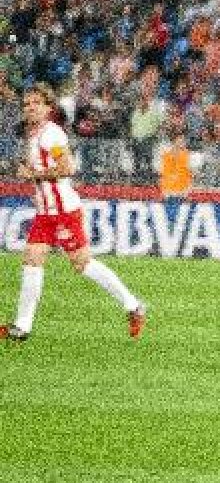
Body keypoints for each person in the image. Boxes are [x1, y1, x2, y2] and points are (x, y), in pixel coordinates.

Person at [2, 83, 146, 342]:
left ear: (48, 107)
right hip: (45, 213)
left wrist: (33, 175)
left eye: (36, 103)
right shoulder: (34, 136)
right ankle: (21, 328)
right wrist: (35, 188)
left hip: (63, 212)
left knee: (82, 264)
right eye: (26, 104)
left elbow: (67, 167)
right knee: (32, 260)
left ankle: (133, 305)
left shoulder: (51, 135)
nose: (30, 108)